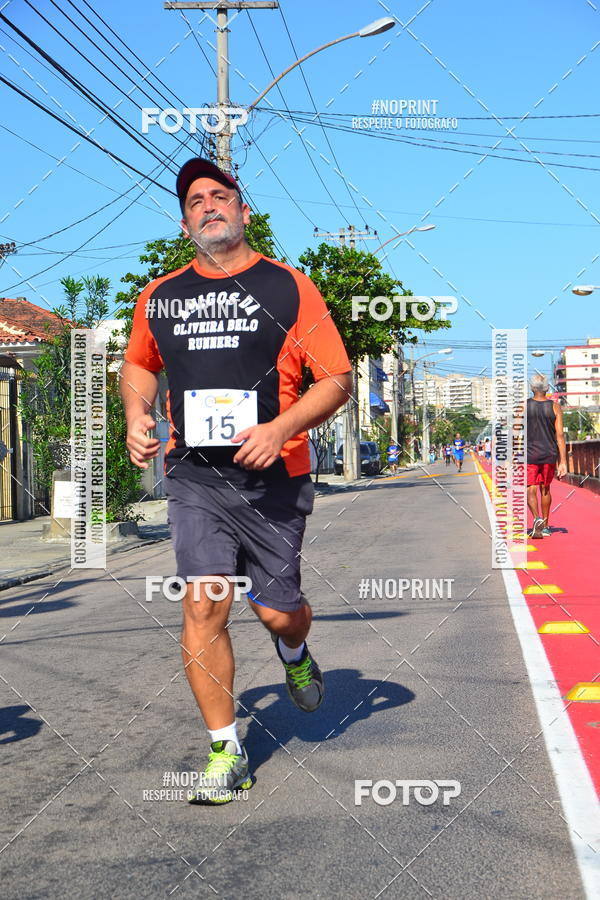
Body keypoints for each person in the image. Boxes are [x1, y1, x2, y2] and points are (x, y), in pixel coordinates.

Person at [121, 157, 352, 804]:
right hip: (196, 478)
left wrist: (280, 429)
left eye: (220, 196)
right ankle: (227, 751)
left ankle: (295, 652)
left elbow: (336, 378)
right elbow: (138, 366)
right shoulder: (160, 296)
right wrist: (137, 414)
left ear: (245, 212)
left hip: (275, 476)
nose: (208, 206)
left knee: (279, 613)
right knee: (203, 602)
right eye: (196, 201)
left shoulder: (288, 287)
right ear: (185, 221)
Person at [527, 373, 567, 538]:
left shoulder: (523, 406)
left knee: (530, 488)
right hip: (549, 453)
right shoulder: (555, 407)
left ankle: (536, 518)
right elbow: (560, 436)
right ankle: (545, 525)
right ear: (547, 388)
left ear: (531, 388)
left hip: (529, 454)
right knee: (545, 488)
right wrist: (563, 461)